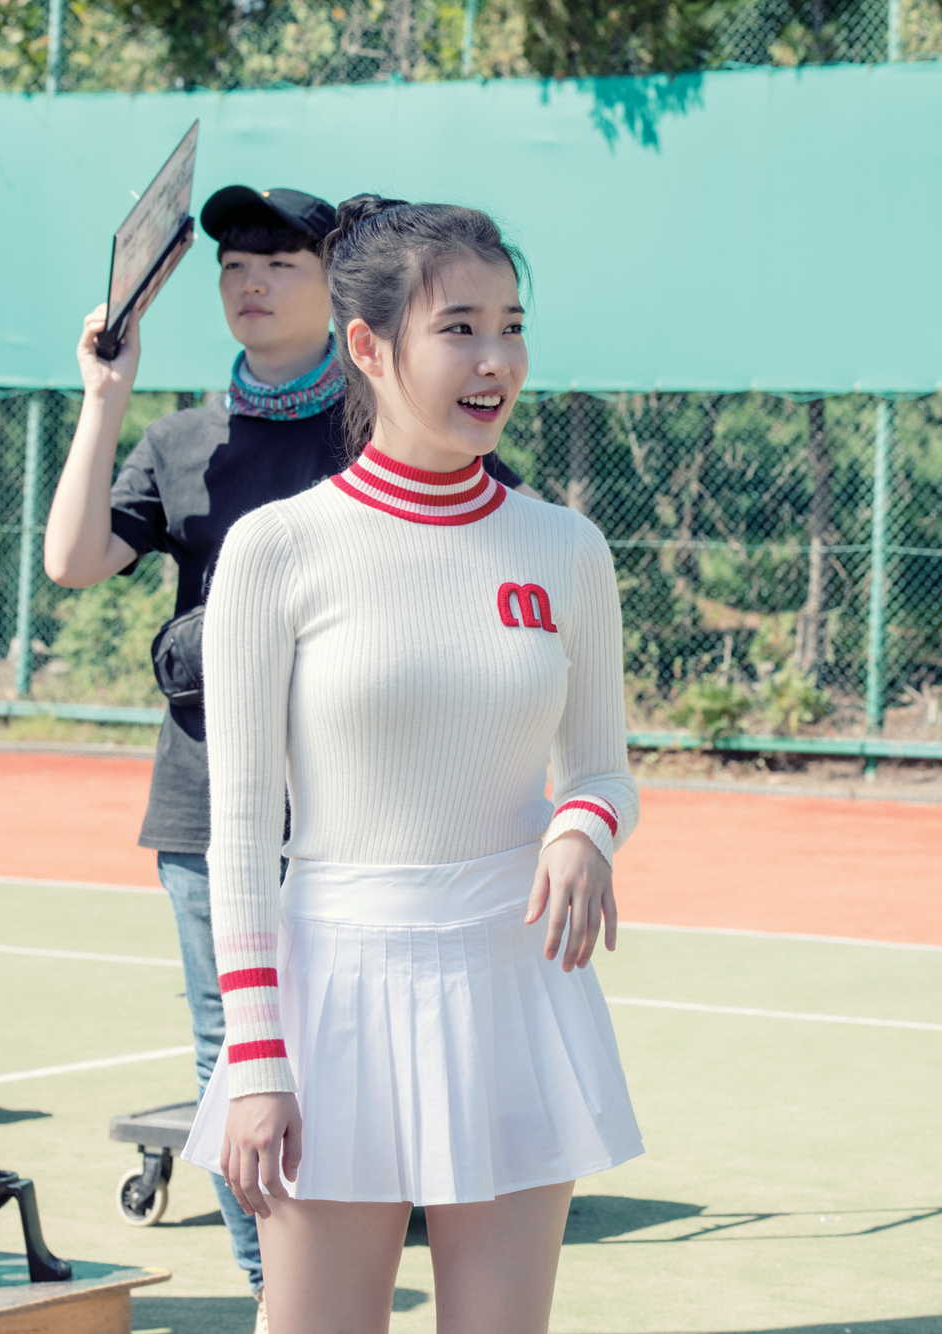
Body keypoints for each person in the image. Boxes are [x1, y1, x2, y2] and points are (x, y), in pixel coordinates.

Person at [42, 184, 533, 1325]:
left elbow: (490, 563)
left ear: (345, 301)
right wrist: (104, 397)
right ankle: (280, 1287)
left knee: (365, 1053)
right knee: (238, 1051)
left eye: (279, 263)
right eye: (232, 265)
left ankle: (374, 1247)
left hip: (367, 817)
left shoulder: (394, 430)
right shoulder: (181, 441)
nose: (250, 283)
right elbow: (71, 559)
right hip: (211, 801)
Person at [177, 195, 642, 1334]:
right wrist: (258, 1059)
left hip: (515, 982)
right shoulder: (277, 548)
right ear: (369, 347)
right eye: (460, 329)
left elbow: (602, 769)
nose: (496, 361)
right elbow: (241, 833)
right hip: (331, 992)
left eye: (512, 327)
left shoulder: (566, 547)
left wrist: (583, 826)